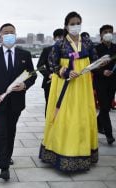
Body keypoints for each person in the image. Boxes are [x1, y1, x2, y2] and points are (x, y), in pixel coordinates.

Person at [39, 12, 106, 172]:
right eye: (72, 23)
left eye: (78, 22)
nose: (76, 26)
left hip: (83, 84)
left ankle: (83, 152)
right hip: (65, 85)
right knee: (65, 116)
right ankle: (61, 152)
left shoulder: (88, 43)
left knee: (82, 115)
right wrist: (65, 71)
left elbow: (95, 60)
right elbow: (52, 63)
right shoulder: (60, 44)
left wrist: (101, 62)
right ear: (66, 25)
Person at [0, 23, 36, 180]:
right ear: (0, 36)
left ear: (16, 34)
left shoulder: (24, 54)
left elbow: (32, 75)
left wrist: (25, 85)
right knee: (1, 132)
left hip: (16, 102)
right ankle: (3, 164)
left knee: (10, 132)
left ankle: (6, 157)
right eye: (6, 32)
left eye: (12, 32)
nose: (9, 35)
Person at [93, 24, 116, 145]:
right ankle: (109, 135)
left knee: (107, 107)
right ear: (101, 34)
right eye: (106, 32)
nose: (108, 33)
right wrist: (102, 71)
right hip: (100, 81)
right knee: (104, 107)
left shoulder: (115, 48)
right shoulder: (96, 49)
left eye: (110, 32)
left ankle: (97, 122)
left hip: (113, 82)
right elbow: (92, 67)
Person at [37, 29, 64, 115]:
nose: (61, 39)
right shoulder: (47, 50)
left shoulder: (68, 51)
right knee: (49, 104)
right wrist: (48, 75)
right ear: (54, 38)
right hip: (50, 82)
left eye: (63, 37)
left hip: (64, 81)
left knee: (64, 105)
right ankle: (49, 125)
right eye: (59, 37)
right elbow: (39, 66)